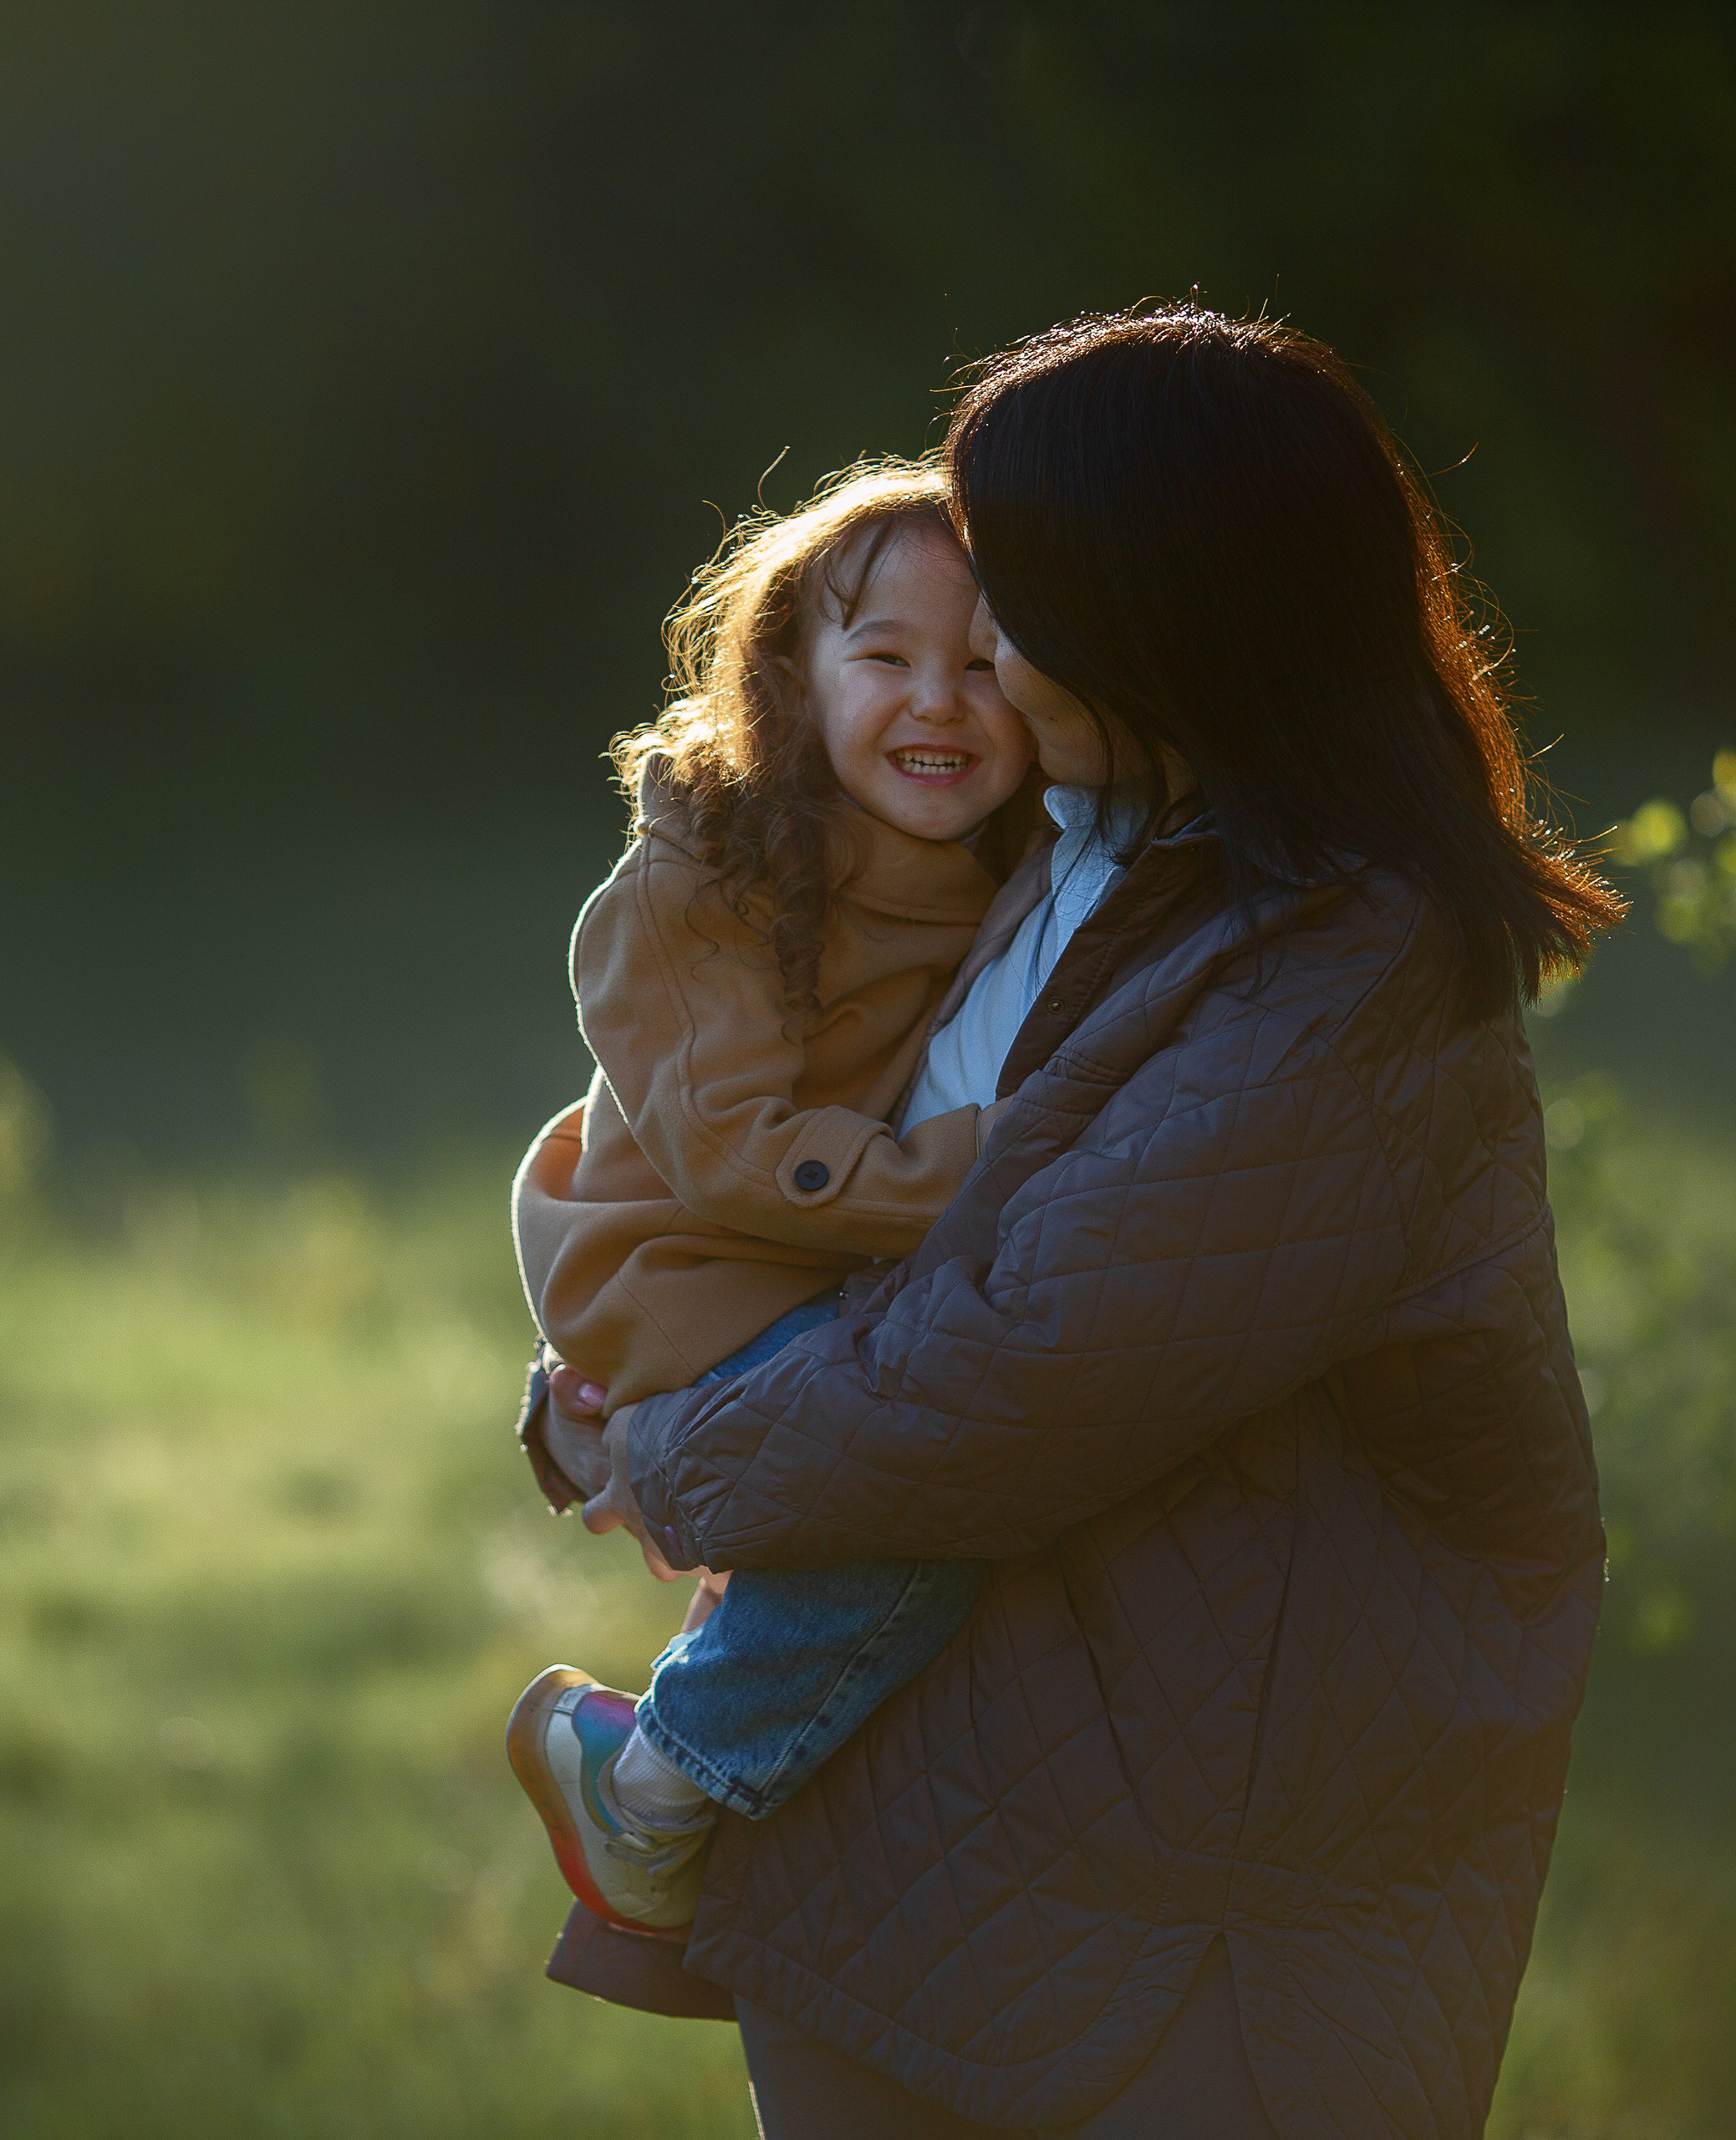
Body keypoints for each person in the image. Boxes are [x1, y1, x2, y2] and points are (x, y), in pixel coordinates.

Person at [528, 307, 1624, 2138]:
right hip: (907, 1846)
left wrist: (662, 1438)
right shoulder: (1057, 838)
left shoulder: (1340, 969)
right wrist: (613, 1350)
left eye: (1012, 609)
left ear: (1156, 617)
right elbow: (796, 1133)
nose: (973, 663)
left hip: (1175, 1918)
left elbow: (1009, 1372)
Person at [504, 458, 1044, 1934]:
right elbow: (740, 1149)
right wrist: (1000, 1164)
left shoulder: (1013, 861)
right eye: (886, 660)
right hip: (679, 1269)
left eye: (986, 666)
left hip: (794, 1270)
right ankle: (651, 1778)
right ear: (791, 680)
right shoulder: (716, 866)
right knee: (911, 1488)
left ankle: (725, 1686)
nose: (940, 700)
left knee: (881, 1494)